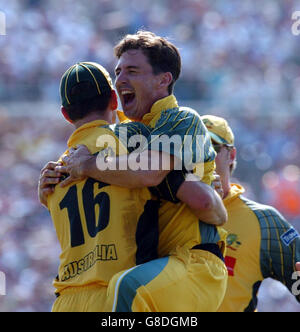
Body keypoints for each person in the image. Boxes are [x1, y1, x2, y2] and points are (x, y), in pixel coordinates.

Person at [41, 31, 228, 311]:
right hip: (158, 270)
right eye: (117, 72)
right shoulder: (124, 137)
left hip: (194, 263)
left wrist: (86, 166)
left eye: (132, 71)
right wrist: (49, 181)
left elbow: (150, 172)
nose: (120, 80)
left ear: (163, 79)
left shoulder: (182, 119)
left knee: (127, 287)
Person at [201, 114, 300, 312]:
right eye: (195, 149)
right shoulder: (164, 210)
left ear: (231, 155)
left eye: (213, 147)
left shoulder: (265, 221)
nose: (204, 157)